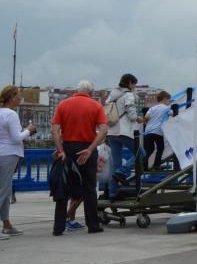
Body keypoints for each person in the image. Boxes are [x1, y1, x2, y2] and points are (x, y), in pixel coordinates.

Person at [51, 79, 108, 235]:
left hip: (68, 149)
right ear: (91, 92)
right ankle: (93, 225)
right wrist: (90, 149)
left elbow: (55, 130)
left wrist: (60, 149)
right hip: (87, 148)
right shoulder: (96, 106)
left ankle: (58, 227)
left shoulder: (63, 105)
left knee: (63, 188)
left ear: (76, 90)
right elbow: (103, 130)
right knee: (89, 188)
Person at [0, 85, 36, 241]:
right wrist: (29, 129)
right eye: (18, 95)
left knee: (5, 191)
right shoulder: (11, 114)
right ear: (12, 97)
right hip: (8, 155)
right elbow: (16, 138)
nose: (19, 98)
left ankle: (6, 224)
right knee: (1, 191)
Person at [106, 73, 142, 198]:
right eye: (134, 84)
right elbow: (132, 115)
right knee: (140, 154)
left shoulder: (112, 94)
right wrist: (138, 118)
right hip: (124, 131)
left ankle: (113, 193)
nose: (135, 86)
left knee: (116, 163)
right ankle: (122, 172)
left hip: (111, 131)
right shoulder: (128, 95)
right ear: (130, 83)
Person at [142, 91, 171, 170]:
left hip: (148, 131)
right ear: (165, 99)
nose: (169, 102)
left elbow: (146, 117)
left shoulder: (152, 108)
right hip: (158, 131)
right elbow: (173, 114)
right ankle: (156, 165)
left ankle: (144, 161)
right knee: (160, 148)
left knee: (150, 149)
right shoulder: (166, 108)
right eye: (169, 100)